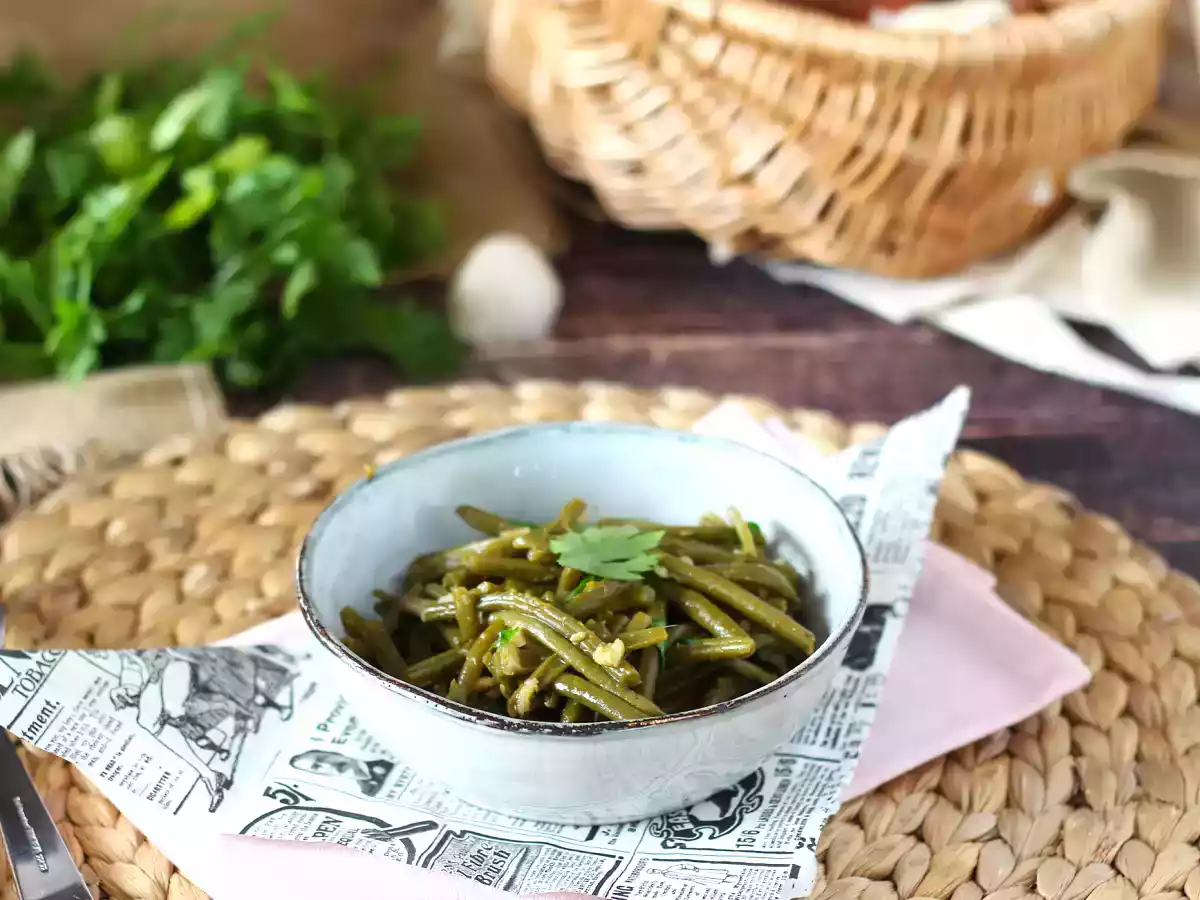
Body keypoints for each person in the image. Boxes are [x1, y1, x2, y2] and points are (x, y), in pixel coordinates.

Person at [110, 648, 296, 812]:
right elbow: (130, 668)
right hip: (155, 674)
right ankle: (209, 774)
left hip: (173, 660)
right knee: (146, 721)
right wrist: (126, 687)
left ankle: (232, 709)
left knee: (174, 708)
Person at [288, 749, 395, 797]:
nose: (326, 764)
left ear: (333, 752)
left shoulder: (388, 757)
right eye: (316, 767)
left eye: (322, 758)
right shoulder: (367, 794)